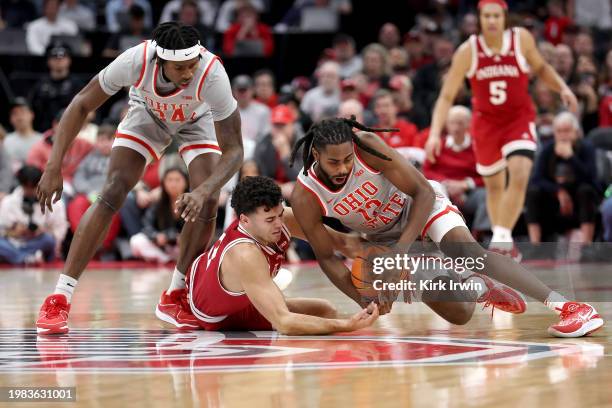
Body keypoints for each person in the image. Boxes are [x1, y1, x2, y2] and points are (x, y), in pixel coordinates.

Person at [289, 117, 604, 338]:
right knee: (460, 314)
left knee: (468, 252)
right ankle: (476, 286)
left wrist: (399, 256)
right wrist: (364, 300)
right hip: (382, 237)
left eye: (347, 160)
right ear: (315, 154)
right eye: (335, 163)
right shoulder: (305, 196)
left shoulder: (366, 145)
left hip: (419, 208)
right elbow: (328, 257)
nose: (344, 167)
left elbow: (422, 192)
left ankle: (570, 307)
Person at [35, 22, 244, 335]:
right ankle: (59, 298)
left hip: (196, 120)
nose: (188, 73)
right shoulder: (135, 60)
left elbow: (235, 151)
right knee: (113, 190)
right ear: (159, 62)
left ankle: (175, 295)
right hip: (148, 115)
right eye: (180, 68)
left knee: (209, 198)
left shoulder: (212, 74)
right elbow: (81, 104)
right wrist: (53, 166)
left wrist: (204, 190)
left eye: (192, 65)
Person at [425, 0, 579, 260]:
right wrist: (433, 134)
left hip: (518, 119)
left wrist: (561, 87)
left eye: (497, 16)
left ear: (505, 17)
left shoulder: (521, 39)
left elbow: (540, 67)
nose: (492, 21)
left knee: (519, 172)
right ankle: (503, 243)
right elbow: (446, 96)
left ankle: (502, 239)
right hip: (486, 124)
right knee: (494, 187)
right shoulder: (469, 50)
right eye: (487, 16)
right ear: (480, 19)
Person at [185, 175, 379, 334]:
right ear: (244, 220)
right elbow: (285, 323)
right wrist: (348, 325)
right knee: (317, 322)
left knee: (326, 310)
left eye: (279, 214)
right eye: (270, 219)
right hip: (216, 315)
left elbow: (341, 242)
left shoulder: (279, 218)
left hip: (225, 283)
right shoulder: (246, 254)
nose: (279, 223)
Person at [526, 112, 601, 244]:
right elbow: (536, 179)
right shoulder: (548, 149)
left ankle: (586, 245)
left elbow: (592, 179)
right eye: (559, 131)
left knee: (586, 190)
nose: (563, 135)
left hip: (579, 199)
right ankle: (535, 245)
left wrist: (571, 157)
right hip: (554, 200)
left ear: (576, 132)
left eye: (567, 131)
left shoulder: (586, 147)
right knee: (533, 192)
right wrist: (558, 191)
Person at [422, 106, 489, 234]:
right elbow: (427, 170)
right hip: (443, 190)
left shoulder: (478, 146)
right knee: (432, 192)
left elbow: (487, 175)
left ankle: (479, 235)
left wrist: (465, 184)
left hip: (470, 192)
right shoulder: (438, 144)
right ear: (447, 124)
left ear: (469, 124)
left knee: (486, 195)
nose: (456, 128)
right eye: (452, 123)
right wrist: (446, 183)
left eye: (460, 123)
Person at [0, 166, 67, 265]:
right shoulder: (9, 201)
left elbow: (60, 231)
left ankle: (21, 258)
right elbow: (2, 231)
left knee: (48, 240)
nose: (30, 191)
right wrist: (15, 232)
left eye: (33, 187)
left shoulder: (54, 202)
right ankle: (28, 258)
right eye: (26, 187)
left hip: (39, 243)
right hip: (16, 243)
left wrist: (42, 231)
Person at [130, 167, 189, 264]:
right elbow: (146, 225)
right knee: (136, 241)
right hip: (164, 247)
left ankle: (179, 259)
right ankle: (166, 259)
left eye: (177, 180)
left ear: (186, 182)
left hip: (184, 247)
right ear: (163, 183)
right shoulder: (159, 202)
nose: (173, 184)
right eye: (169, 180)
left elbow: (200, 228)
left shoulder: (192, 203)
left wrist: (184, 237)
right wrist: (156, 236)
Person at [28, 42, 83, 132]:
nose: (58, 60)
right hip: (43, 131)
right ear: (48, 61)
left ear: (69, 60)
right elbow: (31, 109)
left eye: (62, 57)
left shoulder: (77, 84)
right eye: (54, 58)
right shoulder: (40, 85)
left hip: (71, 130)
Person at [4, 97, 43, 172]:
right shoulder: (6, 142)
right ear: (10, 119)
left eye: (22, 112)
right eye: (14, 113)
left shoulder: (42, 140)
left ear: (31, 114)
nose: (19, 117)